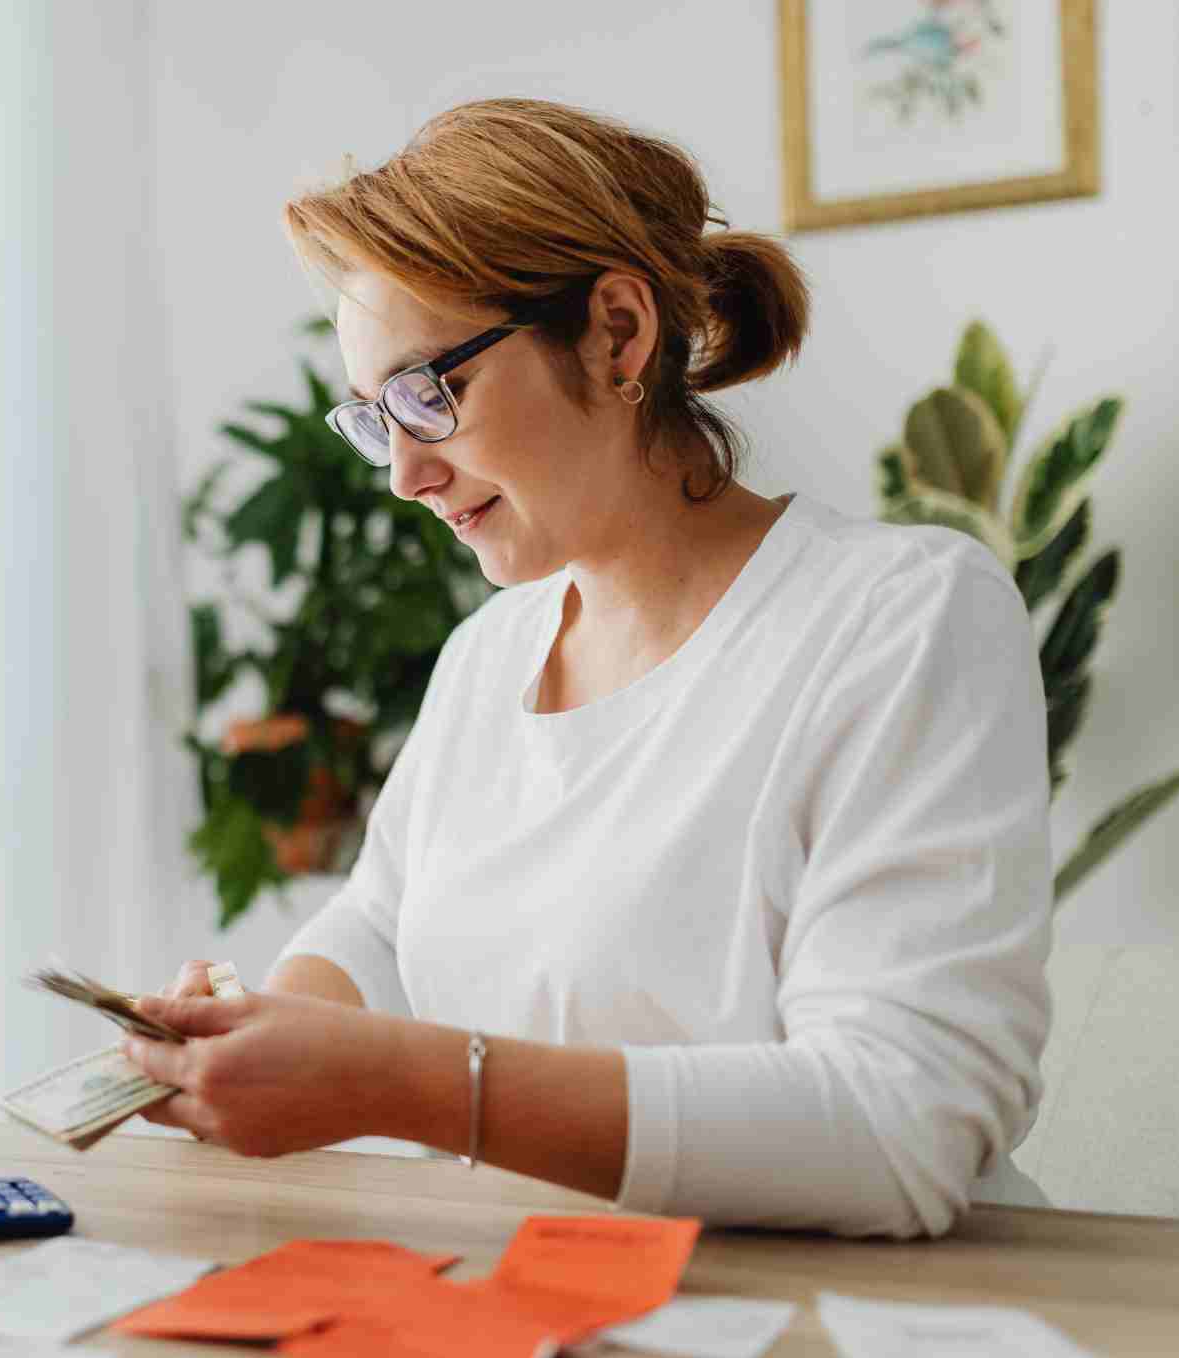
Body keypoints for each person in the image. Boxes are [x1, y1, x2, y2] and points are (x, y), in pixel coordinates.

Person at [123, 99, 1051, 1239]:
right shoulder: (488, 656)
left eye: (429, 393)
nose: (403, 473)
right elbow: (380, 926)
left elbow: (896, 1122)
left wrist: (401, 1082)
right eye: (373, 419)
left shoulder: (898, 616)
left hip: (861, 1334)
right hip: (560, 1302)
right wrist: (254, 1028)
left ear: (616, 333)